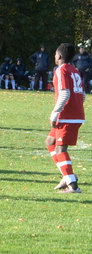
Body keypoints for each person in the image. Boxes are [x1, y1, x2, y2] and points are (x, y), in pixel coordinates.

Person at [45, 43, 85, 193]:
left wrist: (55, 113)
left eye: (55, 54)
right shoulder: (75, 70)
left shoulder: (61, 70)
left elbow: (65, 93)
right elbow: (82, 95)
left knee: (61, 149)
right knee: (50, 142)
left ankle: (73, 185)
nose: (54, 57)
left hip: (67, 117)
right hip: (75, 114)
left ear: (59, 56)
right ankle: (66, 176)